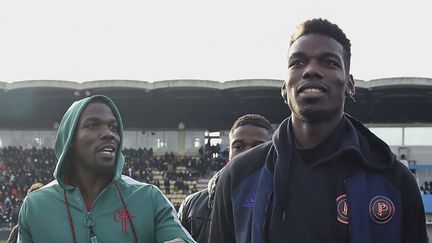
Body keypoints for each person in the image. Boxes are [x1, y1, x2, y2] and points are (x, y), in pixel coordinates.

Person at [209, 18, 427, 243]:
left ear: (350, 84)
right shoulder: (238, 177)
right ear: (285, 87)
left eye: (329, 62)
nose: (311, 70)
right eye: (298, 62)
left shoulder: (395, 181)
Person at [18, 95, 194, 243]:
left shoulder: (149, 197)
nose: (109, 133)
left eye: (114, 127)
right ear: (70, 139)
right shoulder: (35, 205)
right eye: (93, 125)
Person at [178, 114, 273, 243]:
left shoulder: (290, 200)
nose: (247, 153)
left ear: (272, 152)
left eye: (258, 147)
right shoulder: (192, 206)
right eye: (238, 147)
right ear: (229, 153)